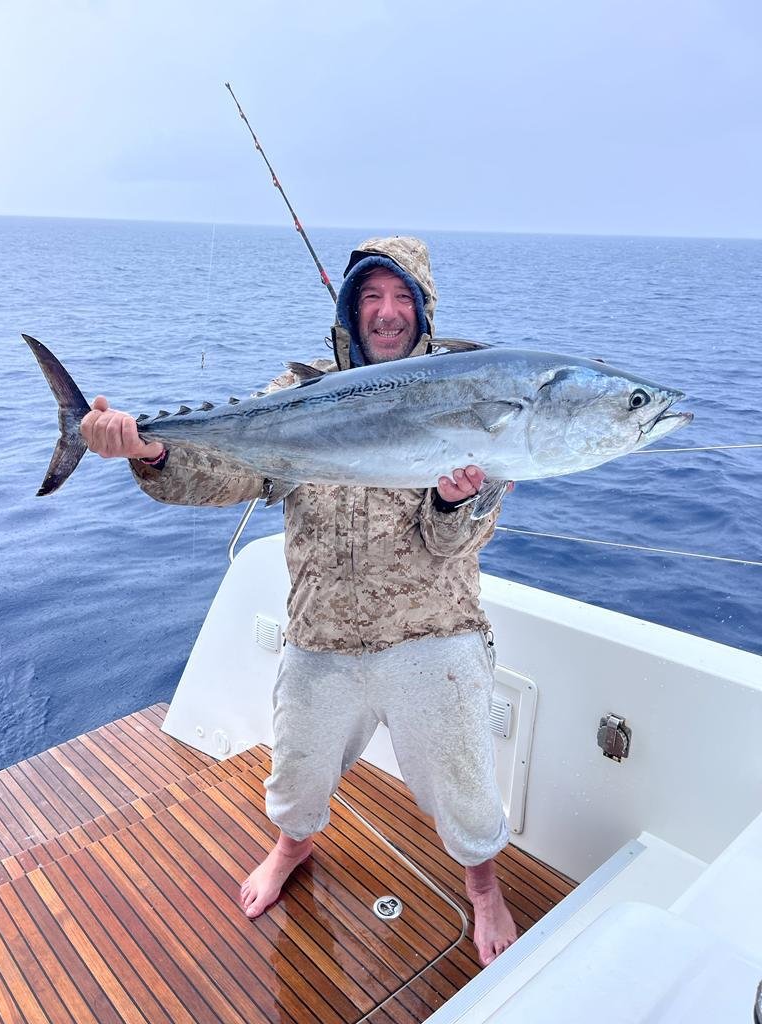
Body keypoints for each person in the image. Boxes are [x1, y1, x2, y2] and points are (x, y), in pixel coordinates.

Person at [80, 236, 518, 965]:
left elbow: (459, 547)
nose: (387, 313)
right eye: (371, 296)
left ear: (425, 311)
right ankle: (291, 847)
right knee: (298, 771)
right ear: (351, 308)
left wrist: (451, 505)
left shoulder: (464, 397)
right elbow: (225, 474)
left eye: (403, 297)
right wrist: (150, 451)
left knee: (464, 778)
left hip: (433, 628)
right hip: (323, 629)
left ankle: (482, 887)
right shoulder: (299, 389)